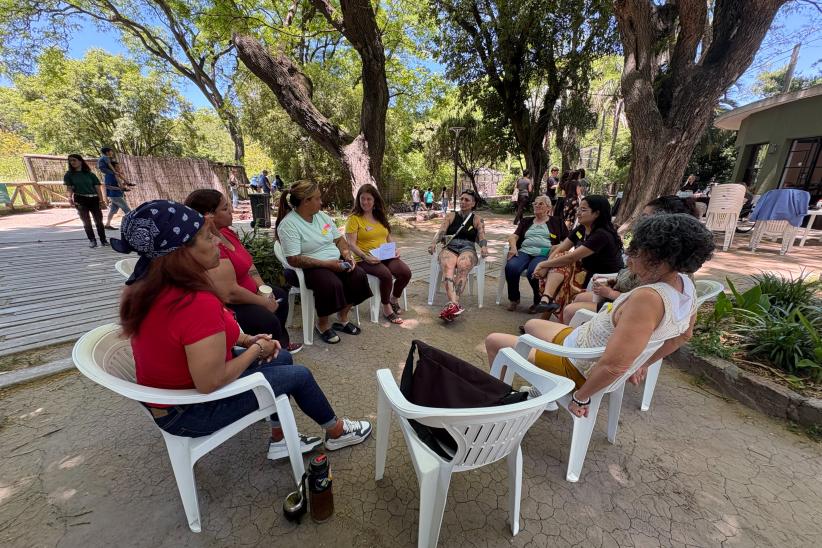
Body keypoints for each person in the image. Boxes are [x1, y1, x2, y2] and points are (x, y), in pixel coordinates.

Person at [115, 200, 371, 460]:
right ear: (182, 253)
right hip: (190, 411)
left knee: (281, 357)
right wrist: (258, 349)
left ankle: (280, 438)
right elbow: (210, 382)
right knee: (299, 375)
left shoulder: (146, 285)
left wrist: (249, 340)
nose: (217, 243)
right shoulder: (193, 302)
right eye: (207, 237)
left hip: (175, 395)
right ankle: (337, 432)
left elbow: (195, 339)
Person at [486, 214, 715, 417]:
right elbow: (684, 335)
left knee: (495, 342)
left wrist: (581, 398)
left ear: (660, 258)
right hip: (584, 342)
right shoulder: (685, 284)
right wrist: (643, 363)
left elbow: (615, 365)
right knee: (533, 325)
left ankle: (502, 407)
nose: (629, 255)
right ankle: (544, 393)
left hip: (577, 365)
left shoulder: (648, 299)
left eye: (637, 250)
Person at [185, 189, 303, 354]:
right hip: (234, 303)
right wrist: (263, 302)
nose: (231, 211)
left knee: (279, 294)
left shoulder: (227, 233)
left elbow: (249, 264)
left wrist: (263, 290)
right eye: (225, 209)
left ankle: (281, 345)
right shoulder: (211, 246)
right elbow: (229, 293)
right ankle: (269, 353)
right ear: (208, 216)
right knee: (267, 318)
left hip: (249, 292)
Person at [561, 195, 700, 323]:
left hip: (622, 307)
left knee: (570, 311)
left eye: (645, 217)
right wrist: (613, 283)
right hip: (619, 297)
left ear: (663, 223)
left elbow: (639, 301)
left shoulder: (658, 266)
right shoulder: (656, 254)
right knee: (579, 298)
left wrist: (610, 292)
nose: (638, 222)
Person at [275, 181, 373, 344]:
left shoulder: (321, 217)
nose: (321, 202)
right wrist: (327, 264)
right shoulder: (289, 224)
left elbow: (339, 239)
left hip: (334, 261)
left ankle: (342, 319)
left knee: (358, 276)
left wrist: (346, 254)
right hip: (308, 266)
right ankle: (322, 325)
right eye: (317, 198)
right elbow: (293, 258)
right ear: (306, 201)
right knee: (330, 284)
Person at [531, 195, 624, 318]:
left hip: (602, 278)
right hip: (585, 270)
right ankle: (545, 302)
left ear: (596, 213)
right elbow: (561, 248)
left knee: (563, 265)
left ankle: (546, 303)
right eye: (578, 209)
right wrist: (547, 265)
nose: (578, 213)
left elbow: (572, 258)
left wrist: (543, 264)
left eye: (583, 210)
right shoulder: (581, 229)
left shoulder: (601, 235)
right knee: (559, 259)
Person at [344, 184, 412, 324]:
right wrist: (365, 257)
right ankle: (386, 307)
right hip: (364, 258)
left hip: (385, 255)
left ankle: (394, 299)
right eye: (362, 199)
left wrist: (395, 249)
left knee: (405, 272)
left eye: (369, 199)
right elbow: (351, 244)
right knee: (385, 274)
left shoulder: (380, 216)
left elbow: (387, 237)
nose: (365, 202)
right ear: (358, 199)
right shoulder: (354, 218)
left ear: (375, 200)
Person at [427, 189, 489, 321]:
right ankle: (454, 305)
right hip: (450, 246)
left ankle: (452, 305)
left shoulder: (478, 219)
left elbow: (482, 236)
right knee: (448, 266)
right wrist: (433, 243)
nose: (463, 202)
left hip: (468, 247)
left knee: (463, 265)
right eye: (461, 199)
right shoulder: (451, 216)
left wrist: (484, 247)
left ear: (473, 203)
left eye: (467, 200)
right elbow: (441, 232)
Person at [504, 196, 568, 313]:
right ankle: (514, 299)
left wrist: (557, 248)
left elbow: (566, 241)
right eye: (535, 203)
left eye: (541, 204)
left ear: (548, 208)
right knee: (511, 267)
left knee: (534, 272)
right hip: (524, 251)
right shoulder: (526, 221)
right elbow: (514, 236)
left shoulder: (557, 222)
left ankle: (538, 301)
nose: (537, 206)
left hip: (543, 254)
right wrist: (513, 248)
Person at [64, 154, 108, 248]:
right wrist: (69, 197)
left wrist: (101, 201)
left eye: (74, 160)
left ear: (80, 161)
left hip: (94, 199)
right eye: (70, 161)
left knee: (99, 221)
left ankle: (103, 240)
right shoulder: (69, 175)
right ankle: (92, 240)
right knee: (86, 221)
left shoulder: (89, 174)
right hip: (80, 199)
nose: (72, 162)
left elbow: (97, 188)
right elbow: (69, 188)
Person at [98, 147, 132, 229]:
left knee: (113, 210)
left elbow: (116, 184)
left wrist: (123, 185)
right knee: (127, 210)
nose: (119, 168)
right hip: (115, 195)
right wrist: (120, 188)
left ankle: (107, 224)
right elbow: (108, 186)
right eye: (117, 167)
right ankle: (130, 225)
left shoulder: (114, 175)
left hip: (117, 194)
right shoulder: (110, 175)